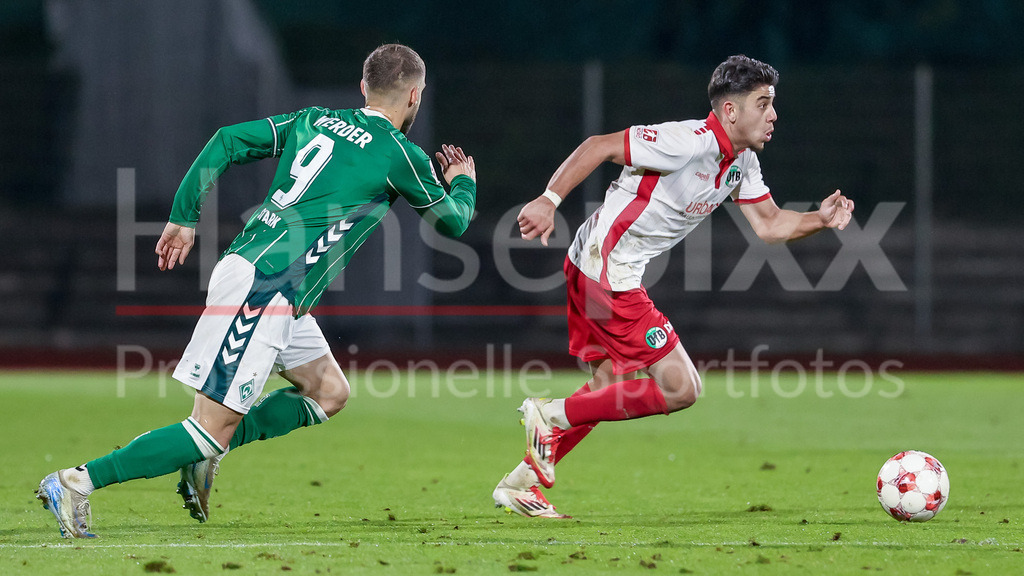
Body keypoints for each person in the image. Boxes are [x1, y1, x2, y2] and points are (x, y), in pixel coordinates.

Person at [36, 43, 477, 538]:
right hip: (265, 289)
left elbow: (226, 140)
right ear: (415, 95)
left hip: (265, 280)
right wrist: (463, 182)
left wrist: (184, 216)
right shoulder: (402, 154)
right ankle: (76, 481)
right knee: (206, 430)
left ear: (362, 88)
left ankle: (207, 453)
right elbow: (453, 221)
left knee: (329, 392)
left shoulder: (315, 119)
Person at [492, 55, 853, 518]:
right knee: (683, 388)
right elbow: (599, 145)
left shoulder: (740, 161)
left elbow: (769, 224)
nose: (773, 114)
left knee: (608, 385)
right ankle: (551, 415)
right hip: (608, 276)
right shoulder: (686, 141)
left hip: (594, 267)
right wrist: (548, 199)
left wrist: (819, 220)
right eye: (763, 104)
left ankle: (521, 482)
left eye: (772, 104)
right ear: (729, 111)